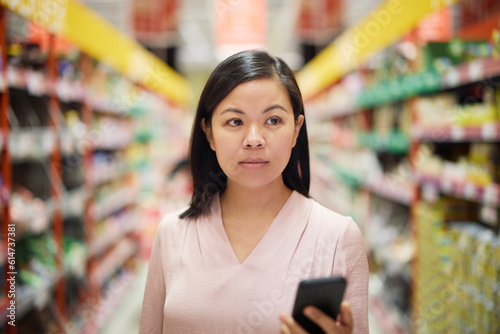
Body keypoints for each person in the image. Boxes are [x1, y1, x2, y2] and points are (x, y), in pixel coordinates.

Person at [140, 50, 369, 334]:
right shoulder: (173, 234)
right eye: (235, 122)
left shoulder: (337, 238)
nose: (254, 140)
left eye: (273, 120)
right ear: (209, 132)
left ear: (297, 129)